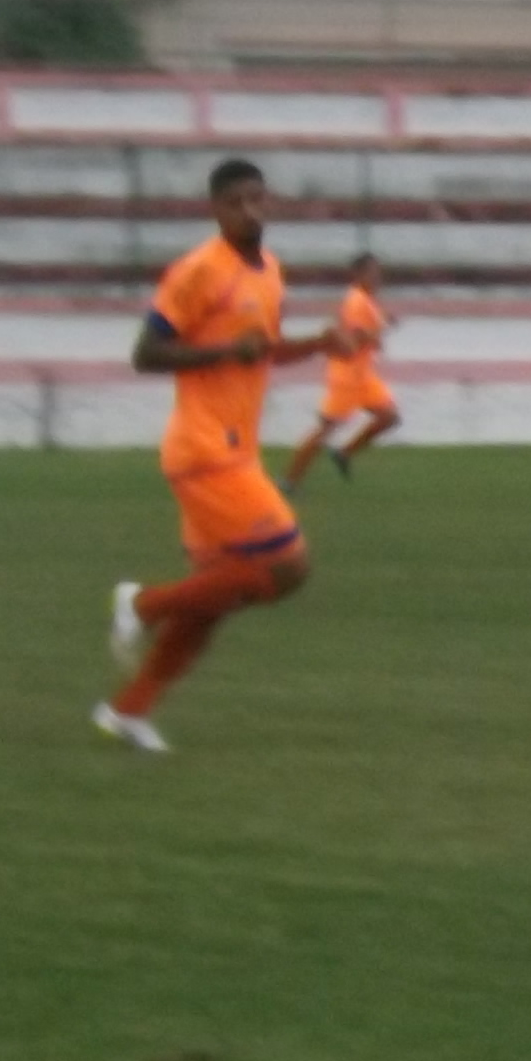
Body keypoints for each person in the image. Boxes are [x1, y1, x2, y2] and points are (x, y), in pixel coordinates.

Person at [94, 159, 352, 753]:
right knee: (288, 567)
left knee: (216, 599)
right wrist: (224, 351)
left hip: (236, 451)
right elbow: (146, 354)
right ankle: (141, 603)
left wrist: (319, 344)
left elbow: (260, 352)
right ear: (216, 209)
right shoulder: (199, 270)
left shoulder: (271, 273)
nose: (250, 210)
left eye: (258, 199)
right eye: (237, 202)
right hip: (204, 450)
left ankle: (128, 711)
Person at [284, 253, 399, 486]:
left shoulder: (365, 300)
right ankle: (290, 480)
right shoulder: (356, 301)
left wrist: (382, 322)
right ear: (358, 275)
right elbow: (355, 338)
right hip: (347, 375)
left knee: (389, 417)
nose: (377, 278)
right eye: (372, 273)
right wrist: (377, 333)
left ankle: (344, 453)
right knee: (325, 430)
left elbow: (366, 326)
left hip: (363, 375)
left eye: (378, 273)